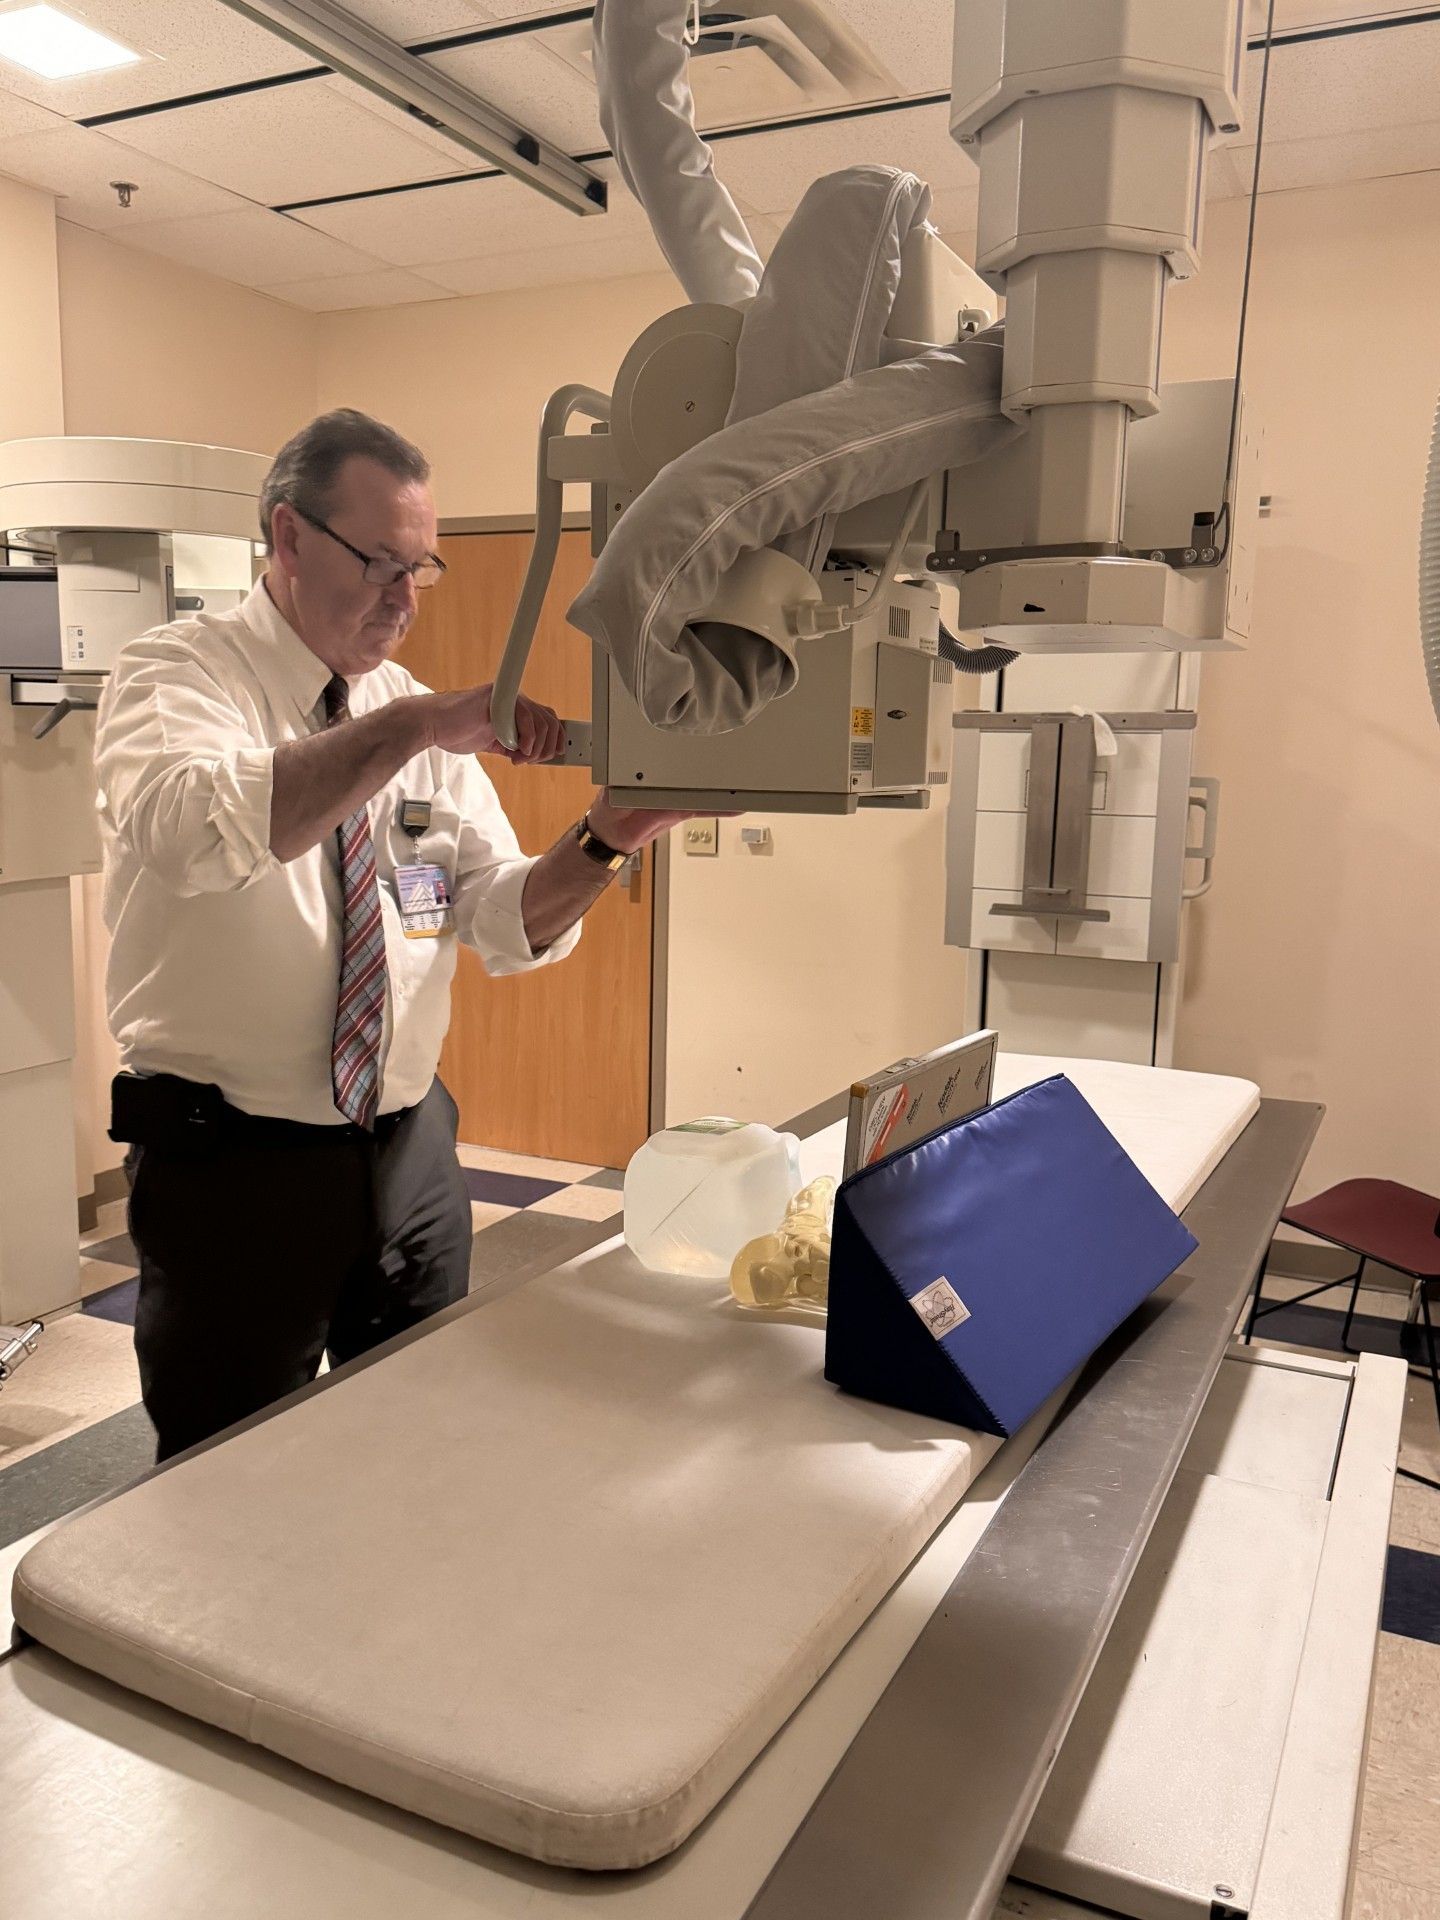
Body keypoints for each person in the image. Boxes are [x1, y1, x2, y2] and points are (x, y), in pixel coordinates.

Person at [96, 407, 690, 1461]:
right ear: (288, 537)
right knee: (229, 1474)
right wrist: (412, 728)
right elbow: (196, 833)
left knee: (415, 1444)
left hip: (408, 1152)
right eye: (380, 563)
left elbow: (499, 912)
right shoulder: (177, 676)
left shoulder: (407, 709)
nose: (405, 599)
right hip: (235, 1169)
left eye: (422, 570)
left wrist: (609, 836)